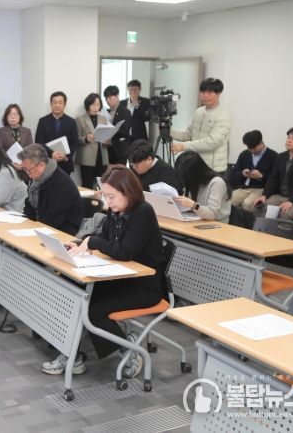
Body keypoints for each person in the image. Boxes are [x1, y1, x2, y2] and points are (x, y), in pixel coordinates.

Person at [41, 166, 166, 376]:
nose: (108, 202)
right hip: (118, 278)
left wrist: (93, 242)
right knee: (73, 294)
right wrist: (80, 244)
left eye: (112, 196)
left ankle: (128, 349)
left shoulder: (143, 212)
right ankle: (73, 354)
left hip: (144, 286)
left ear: (128, 192)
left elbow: (124, 251)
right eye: (106, 196)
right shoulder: (116, 211)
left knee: (92, 308)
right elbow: (105, 239)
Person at [254, 127, 293, 219]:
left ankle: (277, 229)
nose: (289, 140)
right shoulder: (281, 157)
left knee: (284, 213)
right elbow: (273, 178)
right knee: (259, 207)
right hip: (281, 196)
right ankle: (262, 228)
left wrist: (291, 201)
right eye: (288, 137)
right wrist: (264, 195)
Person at [19, 144, 83, 235]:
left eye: (28, 169)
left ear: (41, 165)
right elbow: (30, 206)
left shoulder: (61, 183)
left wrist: (31, 229)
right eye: (24, 169)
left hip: (63, 231)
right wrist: (24, 223)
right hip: (42, 227)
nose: (27, 173)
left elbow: (53, 219)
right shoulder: (37, 178)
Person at [170, 78, 232, 173]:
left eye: (209, 92)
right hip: (196, 165)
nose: (205, 95)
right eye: (202, 92)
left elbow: (211, 143)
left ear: (218, 94)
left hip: (213, 169)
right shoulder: (199, 112)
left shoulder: (223, 116)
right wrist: (169, 132)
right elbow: (189, 134)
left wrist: (183, 146)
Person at [173, 151, 231, 223]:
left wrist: (193, 205)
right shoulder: (194, 182)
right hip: (197, 220)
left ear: (194, 173)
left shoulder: (217, 183)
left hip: (217, 224)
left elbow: (212, 214)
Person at [228, 130, 278, 211]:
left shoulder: (274, 156)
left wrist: (261, 176)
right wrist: (242, 174)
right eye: (249, 148)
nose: (251, 151)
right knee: (228, 200)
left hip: (261, 189)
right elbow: (233, 174)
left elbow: (275, 180)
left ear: (261, 143)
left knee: (248, 203)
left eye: (254, 148)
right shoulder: (244, 154)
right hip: (244, 188)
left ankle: (246, 220)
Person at [34, 91, 79, 175]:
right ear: (51, 104)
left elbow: (74, 142)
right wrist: (51, 153)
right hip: (47, 162)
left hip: (65, 163)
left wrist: (65, 156)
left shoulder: (71, 122)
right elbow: (38, 142)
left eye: (60, 103)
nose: (57, 105)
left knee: (64, 184)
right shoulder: (42, 121)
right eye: (54, 102)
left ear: (64, 104)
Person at [75, 93, 109, 189]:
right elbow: (75, 139)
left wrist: (107, 140)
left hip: (102, 157)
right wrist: (86, 138)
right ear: (88, 105)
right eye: (93, 105)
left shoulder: (103, 118)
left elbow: (107, 136)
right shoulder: (80, 119)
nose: (96, 108)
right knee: (87, 186)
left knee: (102, 186)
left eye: (98, 105)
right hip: (87, 159)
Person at [103, 85, 131, 165]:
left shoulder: (125, 111)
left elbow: (125, 131)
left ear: (117, 96)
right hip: (107, 149)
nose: (107, 101)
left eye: (110, 98)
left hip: (119, 150)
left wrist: (111, 131)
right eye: (106, 98)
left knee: (120, 171)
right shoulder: (106, 112)